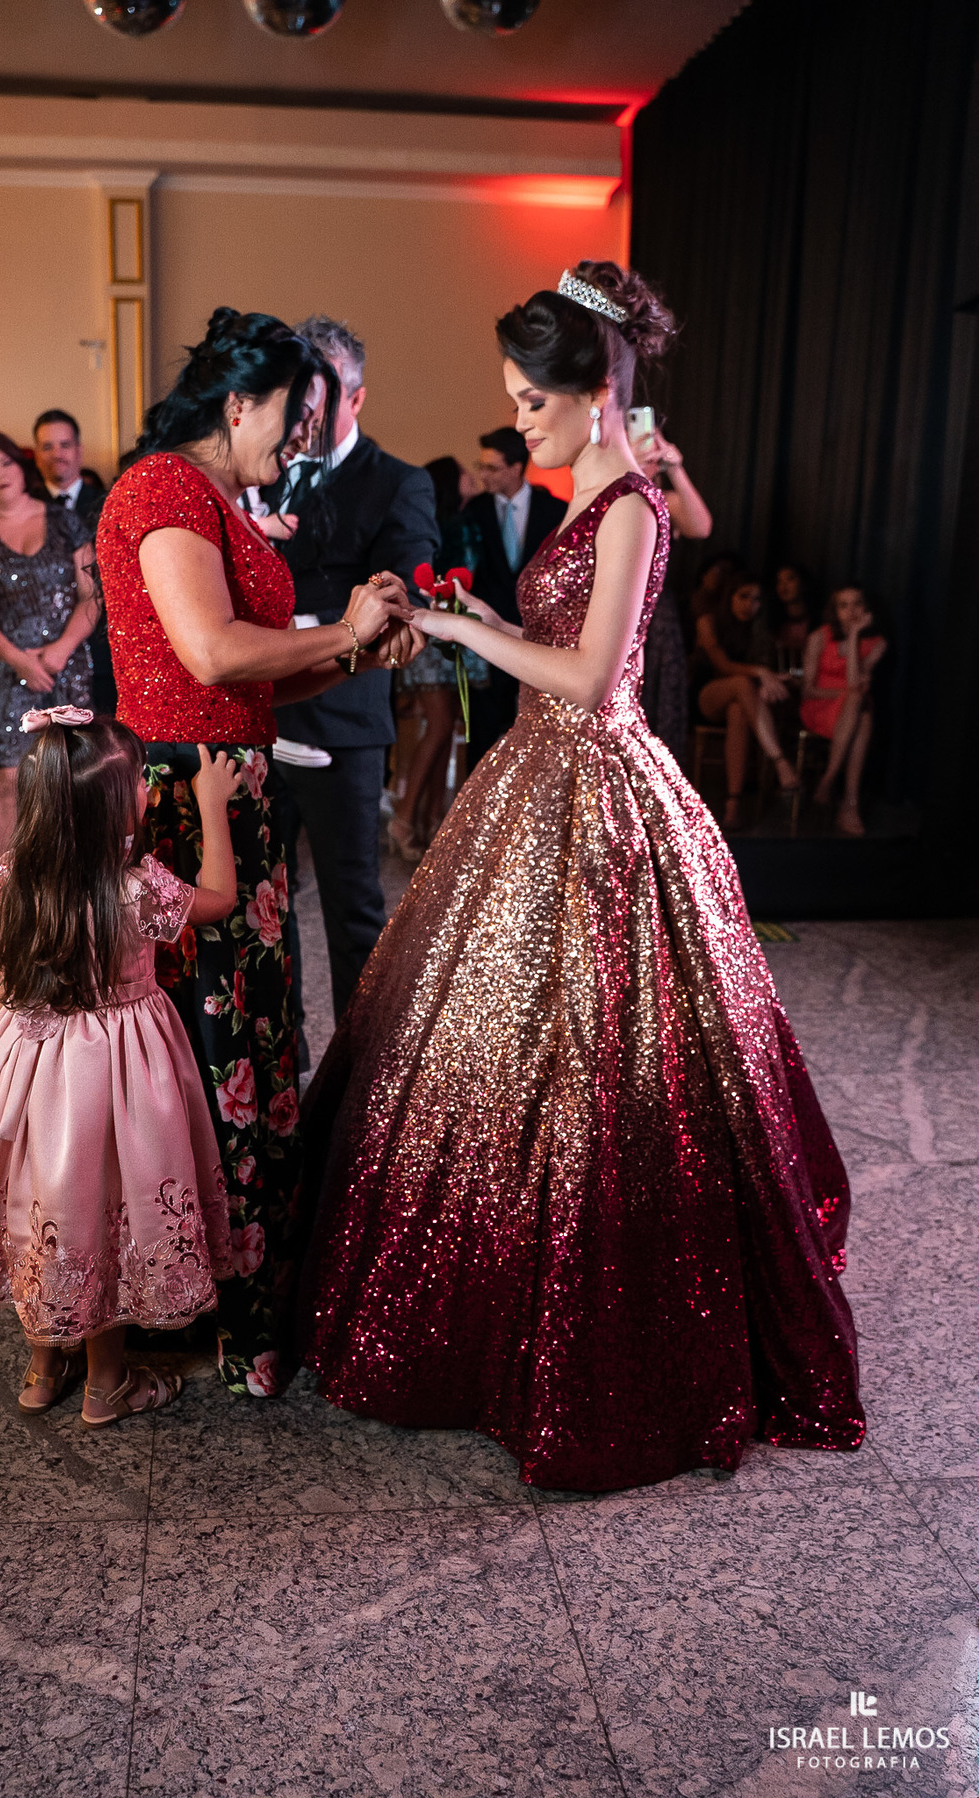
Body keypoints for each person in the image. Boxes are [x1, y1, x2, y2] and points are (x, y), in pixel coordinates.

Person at [298, 260, 864, 1494]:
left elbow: (596, 682)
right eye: (516, 400)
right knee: (492, 1036)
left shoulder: (629, 505)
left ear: (596, 391)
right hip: (537, 776)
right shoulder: (588, 494)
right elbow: (552, 649)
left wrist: (463, 630)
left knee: (602, 1055)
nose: (521, 423)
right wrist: (466, 616)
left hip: (598, 786)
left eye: (532, 401)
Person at [97, 306, 412, 1395]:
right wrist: (343, 629)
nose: (304, 438)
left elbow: (255, 681)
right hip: (185, 805)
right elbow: (212, 652)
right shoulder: (163, 489)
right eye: (294, 416)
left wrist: (357, 656)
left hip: (234, 789)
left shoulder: (215, 495)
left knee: (254, 1043)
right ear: (239, 405)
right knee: (205, 1052)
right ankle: (202, 1306)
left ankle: (248, 1294)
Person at [0, 713, 241, 1427]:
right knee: (105, 1210)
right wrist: (212, 804)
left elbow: (7, 980)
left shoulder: (9, 877)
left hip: (27, 1064)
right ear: (113, 807)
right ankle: (108, 1384)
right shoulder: (137, 886)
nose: (148, 792)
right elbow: (220, 900)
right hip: (119, 1073)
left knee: (42, 1204)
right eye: (138, 785)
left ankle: (43, 1370)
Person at [259, 316, 439, 1019]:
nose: (307, 410)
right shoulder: (260, 467)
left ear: (356, 398)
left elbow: (402, 600)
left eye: (325, 393)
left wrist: (291, 632)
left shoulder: (395, 482)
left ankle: (356, 1069)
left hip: (342, 723)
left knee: (352, 906)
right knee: (255, 904)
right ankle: (273, 1060)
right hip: (250, 717)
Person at [0, 430, 98, 865]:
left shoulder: (66, 521)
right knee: (7, 777)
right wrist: (17, 659)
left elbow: (93, 596)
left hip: (66, 662)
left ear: (21, 465)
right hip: (3, 667)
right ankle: (4, 887)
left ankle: (73, 877)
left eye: (6, 463)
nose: (0, 475)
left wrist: (61, 648)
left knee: (74, 773)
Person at [447, 426, 567, 770]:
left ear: (516, 468)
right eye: (481, 466)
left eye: (492, 468)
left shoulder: (555, 509)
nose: (483, 475)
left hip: (537, 632)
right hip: (487, 634)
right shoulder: (474, 511)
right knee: (482, 727)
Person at [388, 455, 487, 861]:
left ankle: (430, 819)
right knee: (441, 724)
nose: (472, 477)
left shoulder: (442, 523)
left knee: (443, 728)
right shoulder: (457, 527)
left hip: (443, 633)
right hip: (438, 635)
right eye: (464, 471)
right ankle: (404, 816)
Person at [694, 572, 798, 828]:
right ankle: (779, 760)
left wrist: (768, 681)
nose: (750, 605)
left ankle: (733, 804)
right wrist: (760, 673)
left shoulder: (760, 631)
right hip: (707, 696)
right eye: (743, 597)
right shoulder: (709, 621)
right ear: (729, 596)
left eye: (756, 599)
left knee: (738, 710)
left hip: (743, 700)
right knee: (741, 684)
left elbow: (763, 673)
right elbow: (722, 665)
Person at [32, 407, 117, 718]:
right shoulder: (24, 508)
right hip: (40, 653)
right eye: (48, 446)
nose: (57, 454)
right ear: (36, 454)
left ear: (79, 450)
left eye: (65, 445)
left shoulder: (109, 503)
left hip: (102, 653)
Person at [635, 425, 713, 764]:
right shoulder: (607, 495)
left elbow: (701, 528)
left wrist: (675, 467)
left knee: (657, 704)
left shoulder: (666, 500)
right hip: (613, 609)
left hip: (656, 615)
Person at [801, 584, 887, 837]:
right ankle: (849, 802)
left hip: (852, 711)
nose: (851, 611)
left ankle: (829, 780)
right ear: (834, 610)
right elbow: (809, 690)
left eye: (857, 604)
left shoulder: (878, 643)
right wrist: (848, 695)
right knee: (860, 705)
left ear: (867, 608)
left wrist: (855, 635)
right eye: (843, 605)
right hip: (820, 709)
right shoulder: (819, 637)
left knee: (860, 708)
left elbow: (853, 683)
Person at [771, 562, 817, 661]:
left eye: (790, 579)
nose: (784, 586)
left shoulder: (817, 619)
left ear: (803, 583)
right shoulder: (771, 619)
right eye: (779, 581)